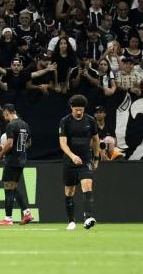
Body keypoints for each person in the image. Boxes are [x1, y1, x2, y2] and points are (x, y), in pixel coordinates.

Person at [59, 94, 101, 230]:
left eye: (81, 110)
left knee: (87, 185)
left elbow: (96, 140)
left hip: (85, 159)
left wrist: (96, 157)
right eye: (76, 109)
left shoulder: (90, 121)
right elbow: (63, 143)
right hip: (70, 161)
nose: (78, 112)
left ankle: (88, 217)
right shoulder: (65, 121)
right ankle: (71, 221)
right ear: (71, 108)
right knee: (69, 191)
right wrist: (72, 156)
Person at [0, 104, 32, 226]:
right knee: (13, 188)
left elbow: (9, 144)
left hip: (12, 160)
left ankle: (8, 218)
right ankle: (26, 213)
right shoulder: (25, 124)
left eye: (4, 115)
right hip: (21, 159)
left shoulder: (11, 125)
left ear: (6, 112)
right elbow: (29, 142)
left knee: (8, 188)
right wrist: (20, 149)